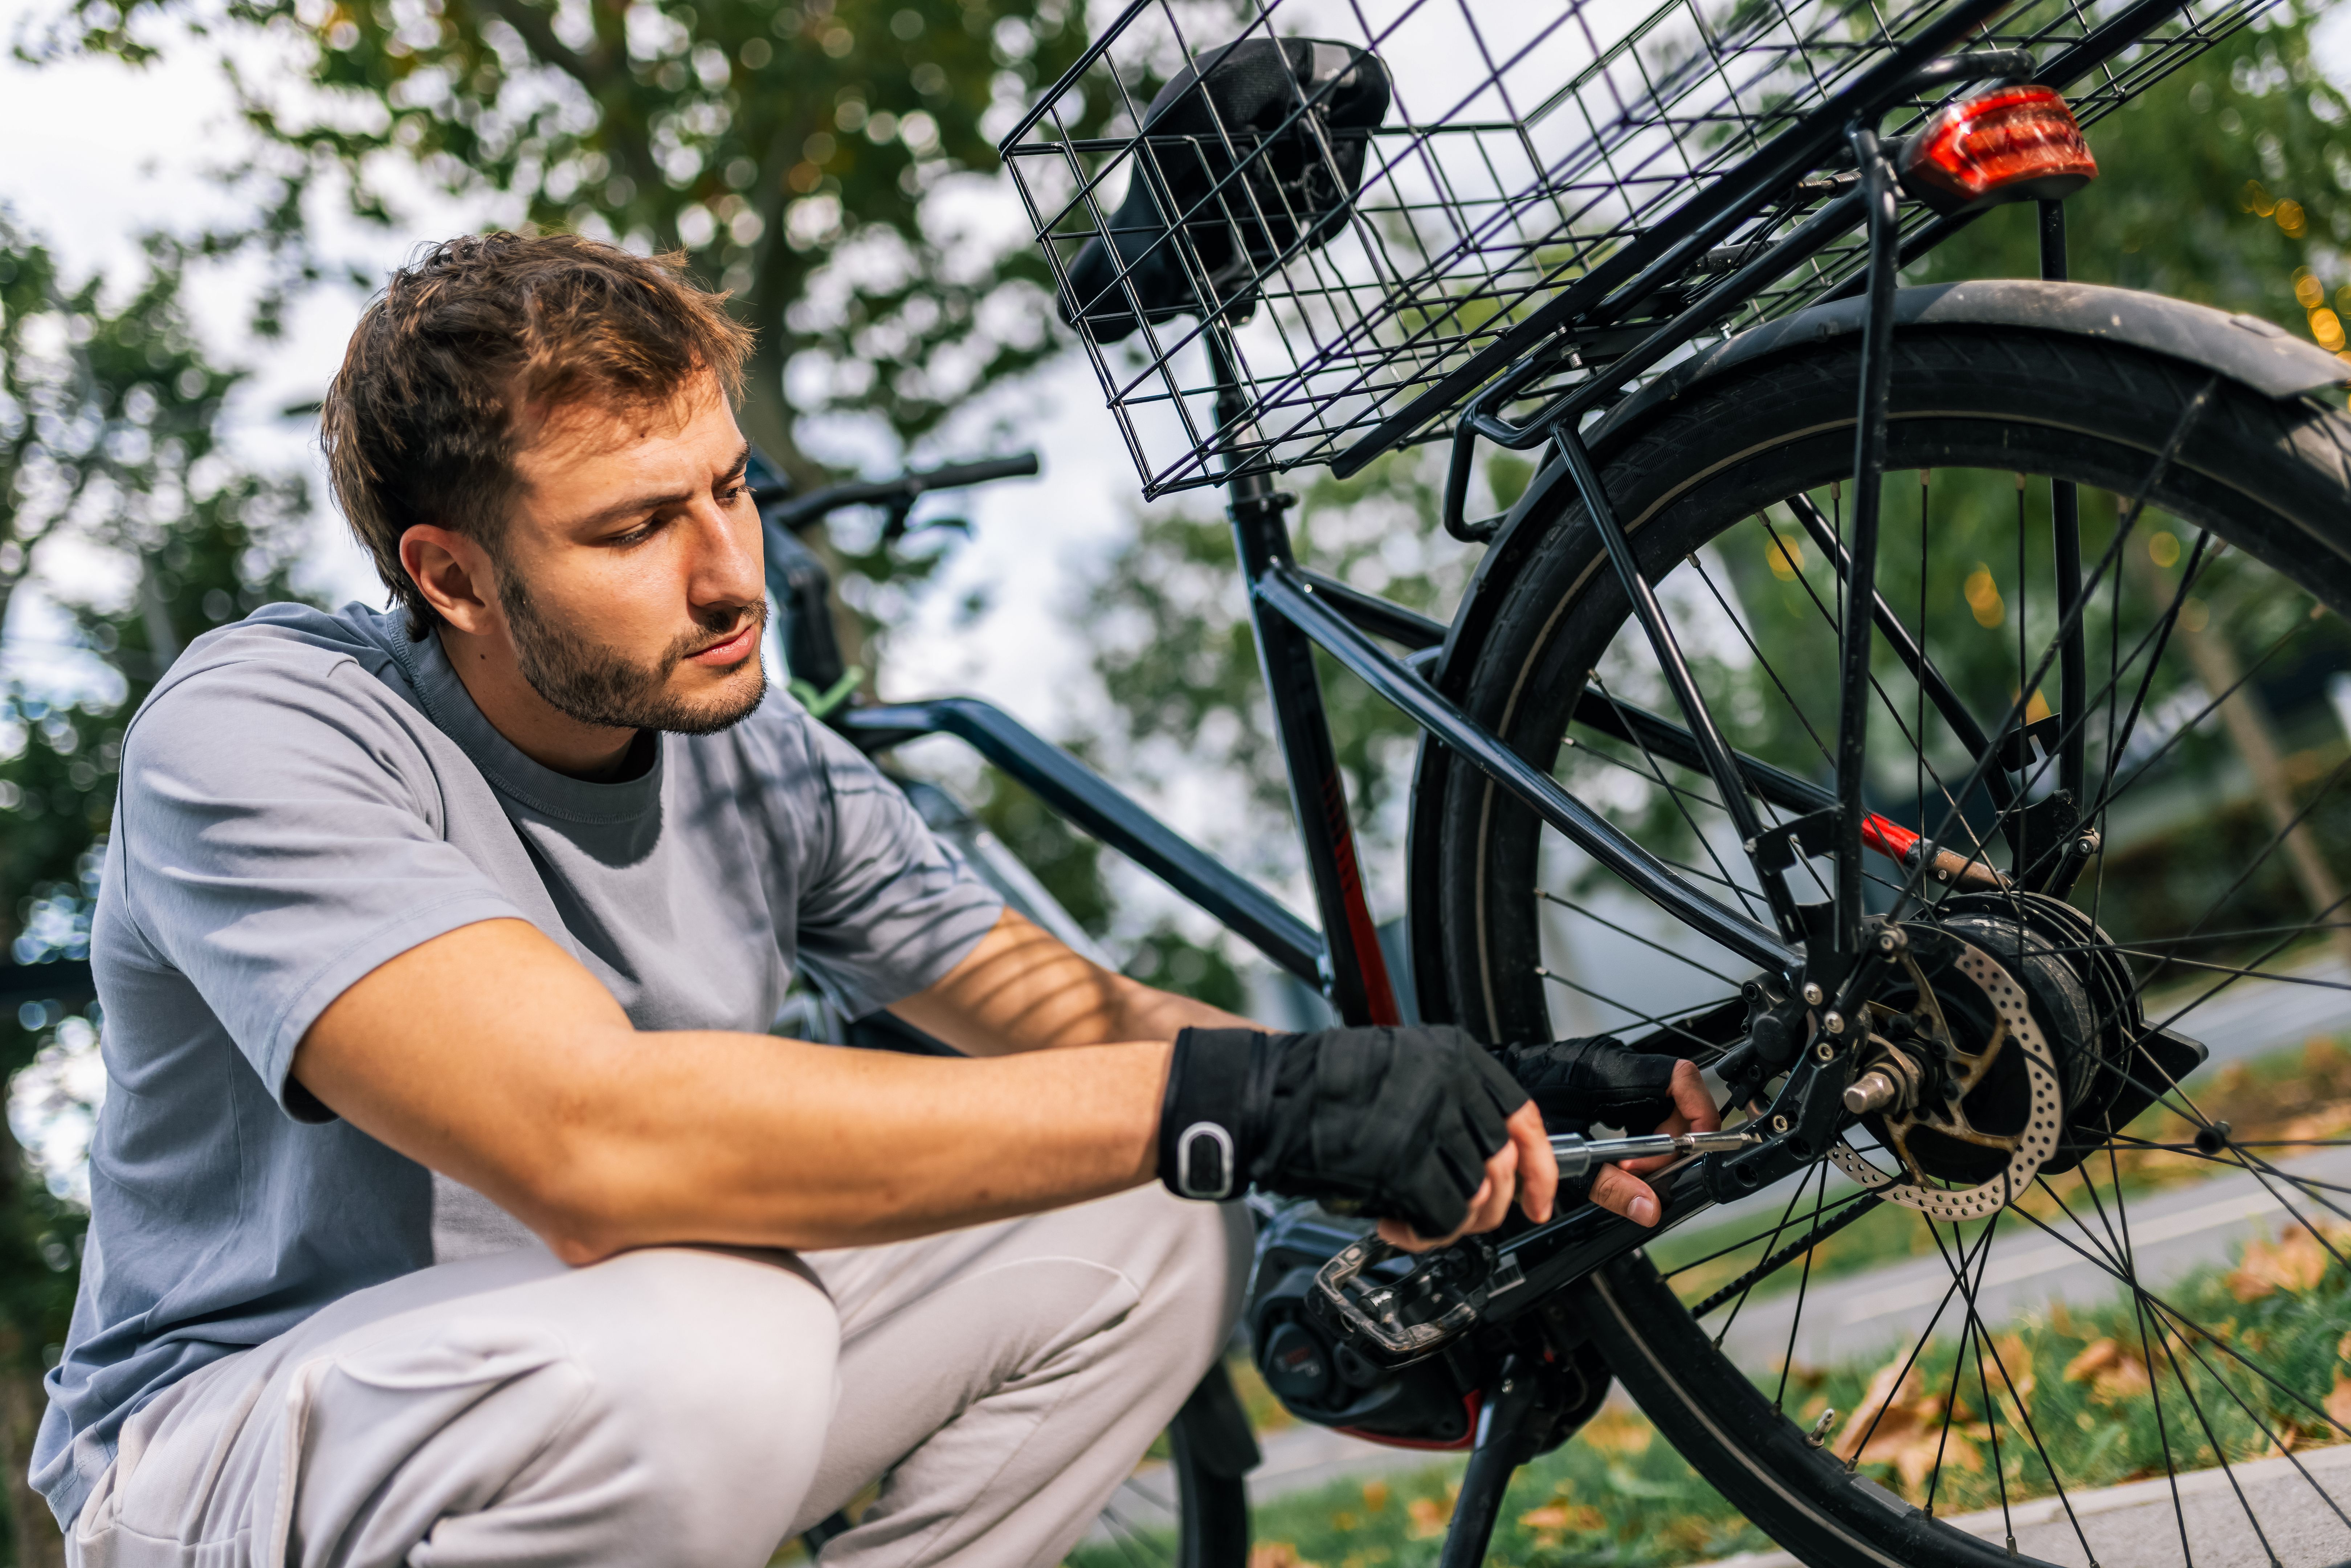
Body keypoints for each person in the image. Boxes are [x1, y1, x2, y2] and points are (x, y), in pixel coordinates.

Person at [32, 232, 1717, 1568]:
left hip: (610, 1377)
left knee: (1145, 1211)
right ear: (450, 574)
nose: (728, 574)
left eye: (731, 487)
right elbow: (589, 1150)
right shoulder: (260, 736)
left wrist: (1444, 1094)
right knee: (719, 1334)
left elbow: (1080, 1028)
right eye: (633, 528)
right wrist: (1240, 1103)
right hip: (237, 1457)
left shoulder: (752, 745)